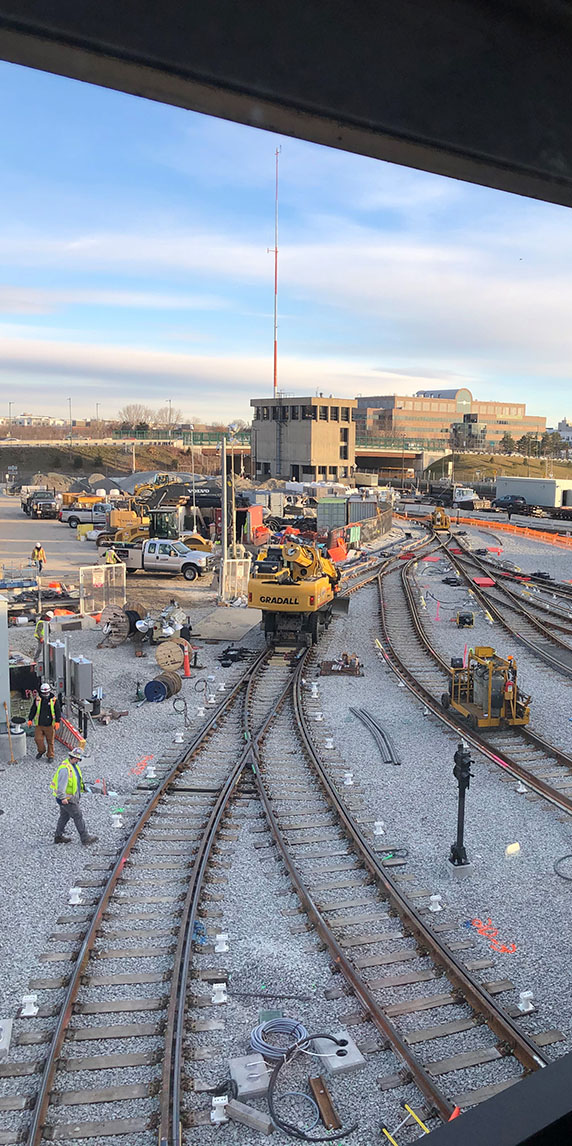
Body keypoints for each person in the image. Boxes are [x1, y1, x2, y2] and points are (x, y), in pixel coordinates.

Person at [50, 746, 98, 845]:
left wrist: (82, 788)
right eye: (78, 759)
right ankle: (85, 838)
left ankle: (58, 837)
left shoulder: (73, 766)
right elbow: (61, 786)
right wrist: (62, 798)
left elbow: (76, 780)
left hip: (69, 798)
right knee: (78, 815)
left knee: (64, 816)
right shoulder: (65, 769)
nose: (79, 761)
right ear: (74, 758)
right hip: (67, 799)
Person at [28, 682, 61, 761]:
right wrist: (30, 719)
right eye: (44, 693)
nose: (45, 694)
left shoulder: (54, 700)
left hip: (50, 724)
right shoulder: (38, 700)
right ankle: (41, 750)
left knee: (50, 741)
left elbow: (58, 711)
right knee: (38, 739)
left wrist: (57, 721)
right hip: (39, 724)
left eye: (47, 692)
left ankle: (50, 756)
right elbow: (33, 710)